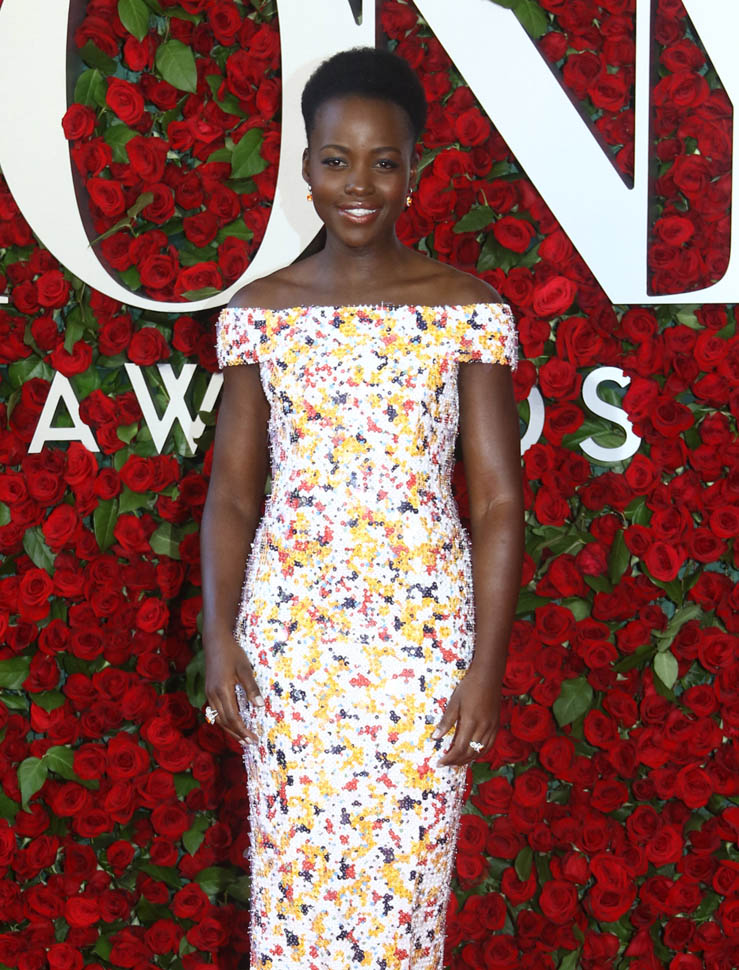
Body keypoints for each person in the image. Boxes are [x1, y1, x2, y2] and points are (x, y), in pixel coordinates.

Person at [200, 46, 523, 970]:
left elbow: (500, 501)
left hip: (422, 652)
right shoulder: (260, 312)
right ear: (303, 167)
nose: (358, 184)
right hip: (289, 652)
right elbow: (230, 491)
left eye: (384, 161)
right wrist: (220, 636)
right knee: (294, 903)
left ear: (413, 171)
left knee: (405, 906)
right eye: (336, 160)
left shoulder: (465, 307)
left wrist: (484, 669)